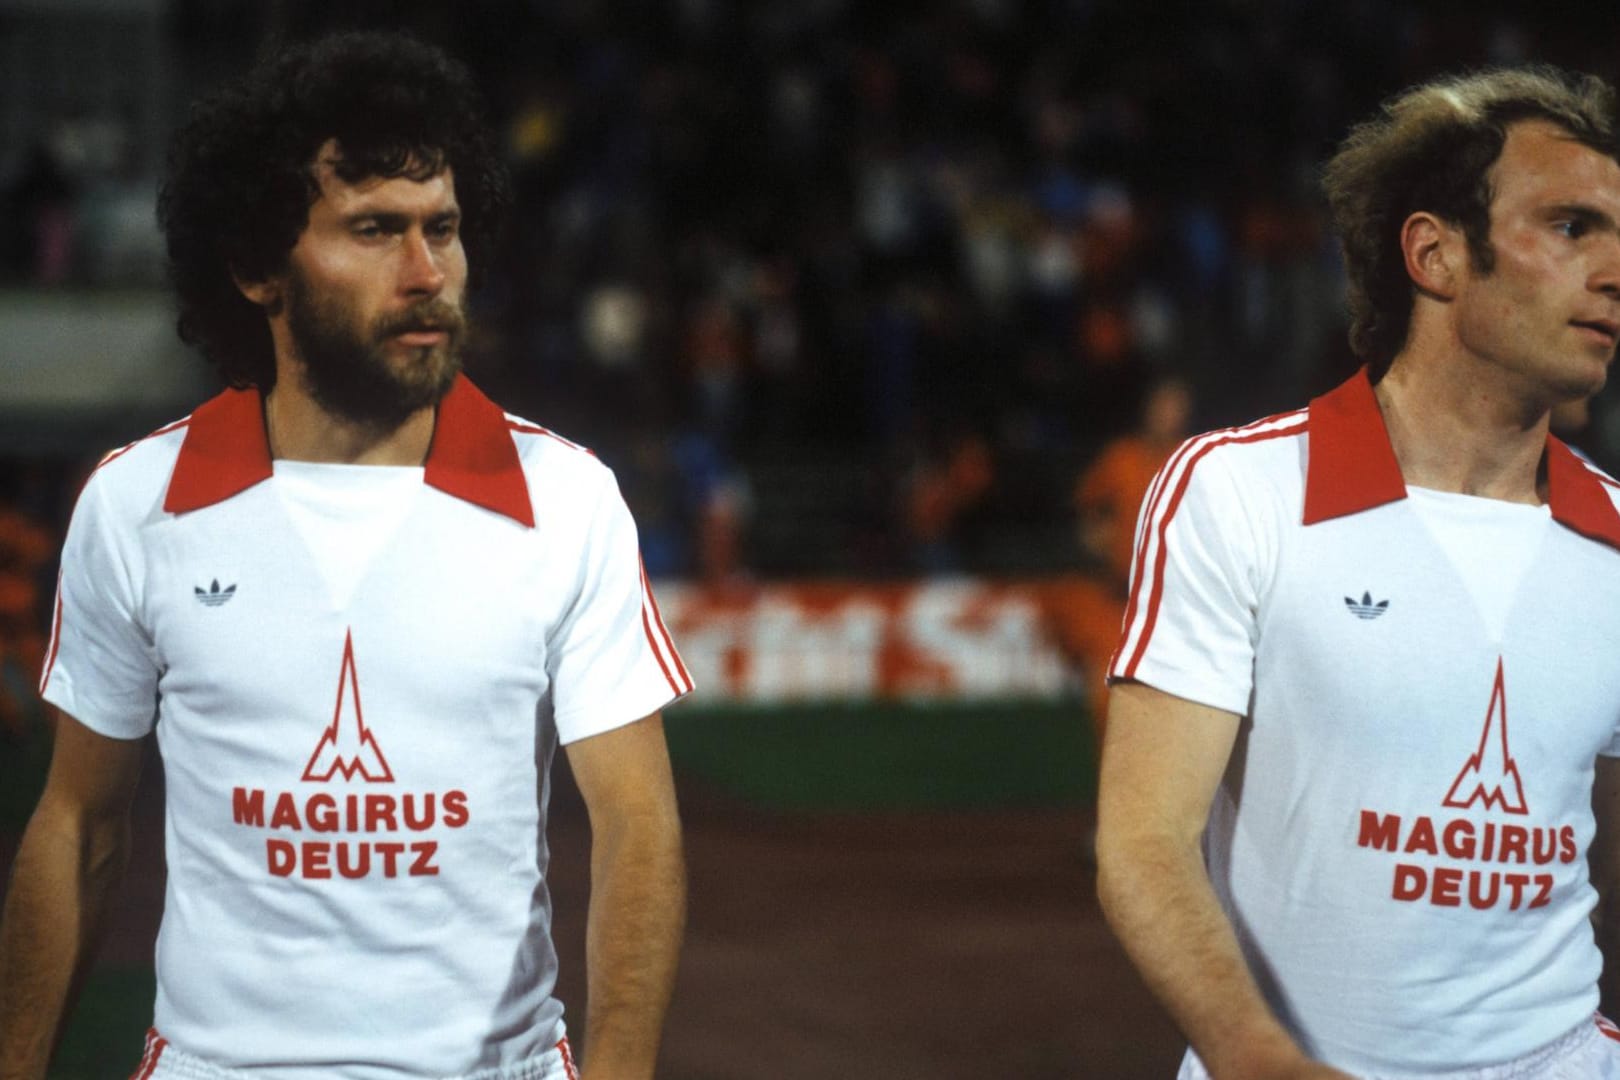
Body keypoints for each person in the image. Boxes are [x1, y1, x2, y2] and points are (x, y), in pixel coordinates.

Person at [0, 32, 691, 1080]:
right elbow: (79, 826)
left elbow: (638, 830)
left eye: (443, 230)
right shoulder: (136, 505)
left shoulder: (570, 500)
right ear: (254, 268)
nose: (427, 274)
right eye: (374, 230)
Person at [1097, 66, 1620, 1079]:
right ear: (1434, 254)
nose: (1613, 270)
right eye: (1570, 228)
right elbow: (1144, 844)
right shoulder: (1240, 492)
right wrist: (1258, 1059)